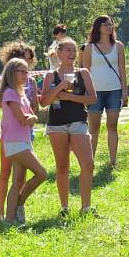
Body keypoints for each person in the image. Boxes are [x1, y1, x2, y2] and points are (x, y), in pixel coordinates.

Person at [40, 37, 97, 216]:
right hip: (57, 125)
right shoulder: (51, 75)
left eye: (74, 50)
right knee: (62, 166)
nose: (72, 54)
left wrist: (69, 97)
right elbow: (43, 102)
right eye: (68, 50)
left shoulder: (83, 73)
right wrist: (59, 88)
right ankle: (64, 208)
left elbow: (92, 99)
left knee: (88, 164)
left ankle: (86, 207)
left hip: (78, 122)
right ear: (59, 53)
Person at [0, 58, 46, 224]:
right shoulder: (10, 92)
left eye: (27, 71)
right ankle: (19, 203)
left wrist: (32, 117)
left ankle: (10, 219)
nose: (26, 75)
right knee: (41, 173)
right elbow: (24, 118)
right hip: (15, 142)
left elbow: (32, 114)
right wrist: (32, 118)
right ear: (12, 73)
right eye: (22, 71)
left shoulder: (21, 93)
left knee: (18, 181)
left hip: (23, 141)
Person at [82, 15, 128, 168]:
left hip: (114, 90)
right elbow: (85, 71)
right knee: (93, 128)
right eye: (105, 25)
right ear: (98, 27)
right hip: (94, 92)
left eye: (111, 24)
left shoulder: (119, 46)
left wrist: (125, 91)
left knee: (112, 126)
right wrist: (85, 92)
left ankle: (113, 161)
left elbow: (122, 69)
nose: (109, 27)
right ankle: (90, 161)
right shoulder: (90, 47)